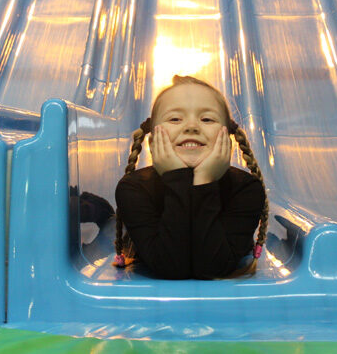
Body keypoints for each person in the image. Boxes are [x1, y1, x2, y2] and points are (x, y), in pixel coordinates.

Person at [113, 75, 268, 279]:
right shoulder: (133, 189)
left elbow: (213, 267)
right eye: (175, 119)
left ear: (228, 137)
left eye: (207, 119)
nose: (192, 126)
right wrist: (178, 179)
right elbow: (170, 266)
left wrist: (204, 180)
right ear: (152, 141)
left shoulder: (246, 189)